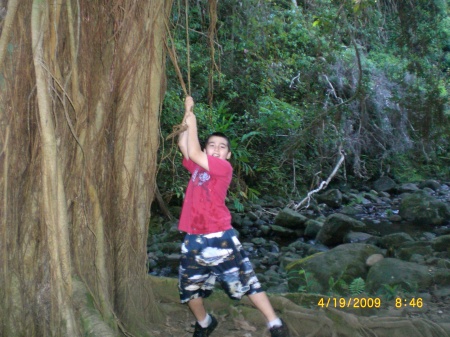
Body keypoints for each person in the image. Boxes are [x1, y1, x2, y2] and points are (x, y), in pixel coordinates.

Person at [177, 96, 290, 337]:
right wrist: (187, 115)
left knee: (246, 280)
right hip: (193, 238)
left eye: (222, 146)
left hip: (219, 236)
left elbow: (194, 151)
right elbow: (184, 146)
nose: (216, 149)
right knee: (189, 288)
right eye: (212, 145)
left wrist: (193, 118)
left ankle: (274, 323)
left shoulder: (223, 168)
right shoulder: (197, 167)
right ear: (207, 149)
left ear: (228, 155)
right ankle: (205, 322)